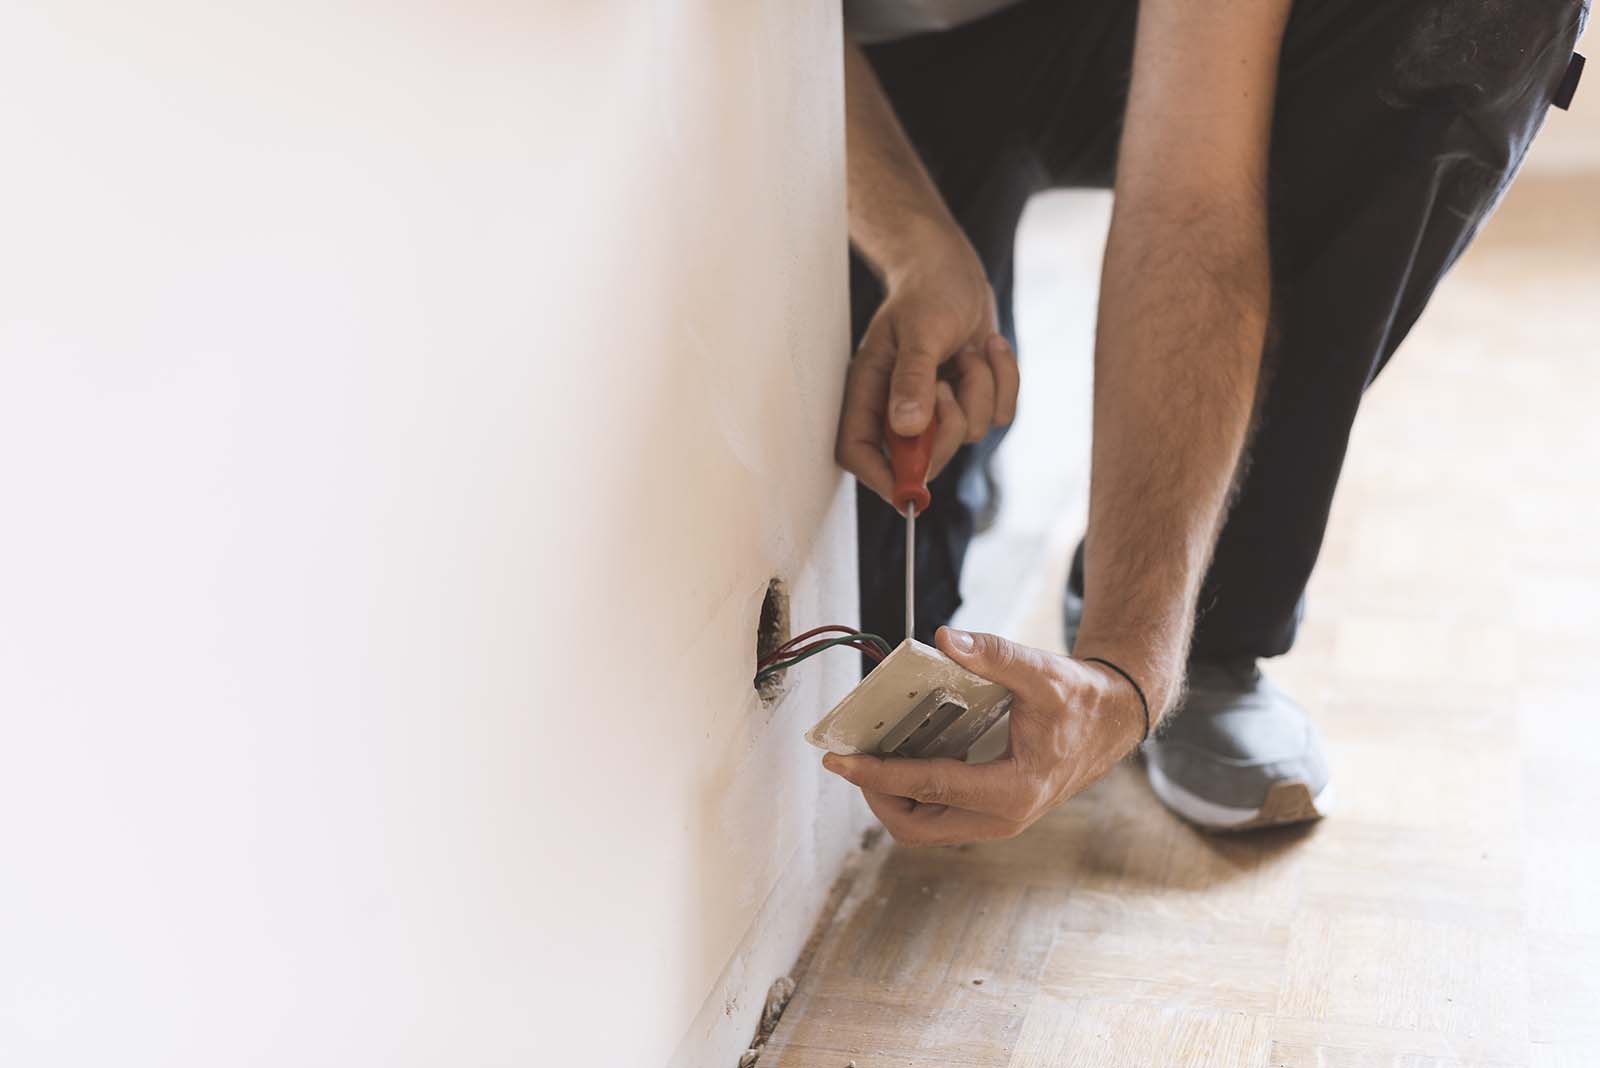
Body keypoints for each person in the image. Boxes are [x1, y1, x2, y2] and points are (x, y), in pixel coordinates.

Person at [821, 0, 1587, 841]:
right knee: (881, 640)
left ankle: (1209, 623)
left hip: (1136, 38)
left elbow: (1190, 203)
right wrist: (914, 247)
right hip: (850, 75)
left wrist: (1131, 668)